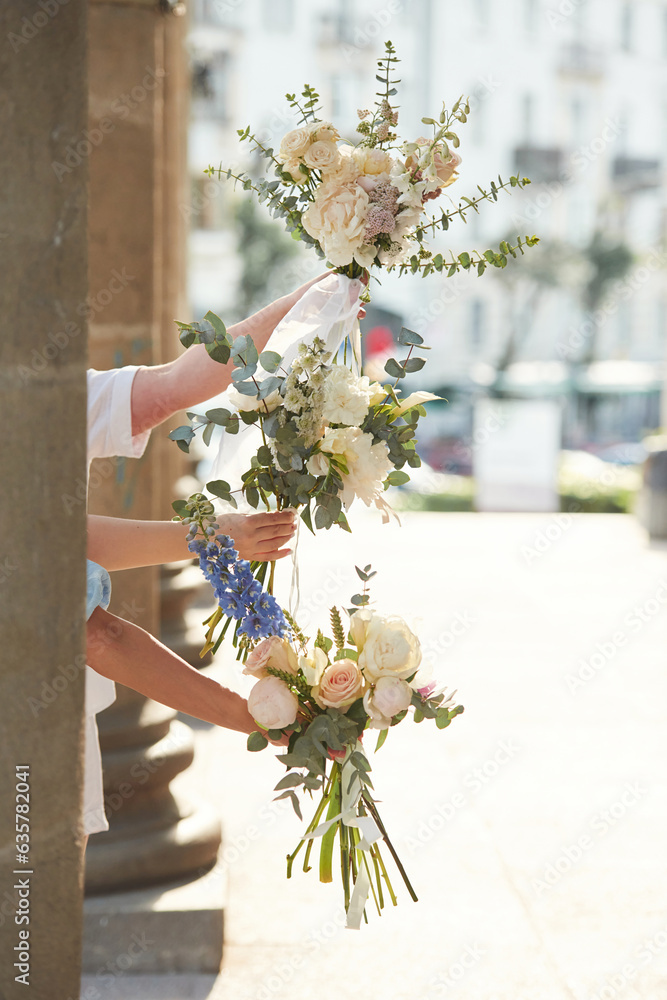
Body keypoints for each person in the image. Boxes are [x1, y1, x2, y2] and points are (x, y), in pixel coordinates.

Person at [82, 276, 326, 836]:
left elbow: (178, 384)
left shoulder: (40, 390)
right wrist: (259, 718)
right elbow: (99, 634)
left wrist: (319, 297)